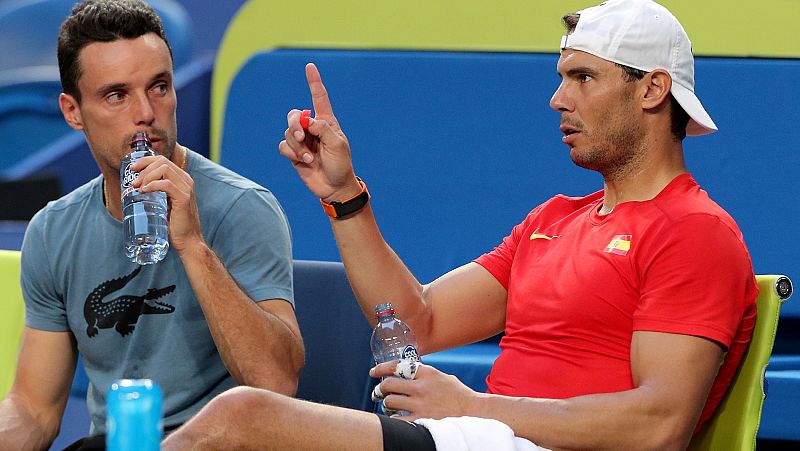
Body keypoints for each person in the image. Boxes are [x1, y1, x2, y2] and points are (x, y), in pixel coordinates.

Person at [162, 0, 757, 449]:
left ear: (652, 89)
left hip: (512, 440)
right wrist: (344, 196)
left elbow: (661, 425)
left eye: (583, 78)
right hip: (486, 438)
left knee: (241, 420)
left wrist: (473, 407)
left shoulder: (694, 230)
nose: (557, 98)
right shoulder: (552, 219)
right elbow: (417, 321)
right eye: (561, 76)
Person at [0, 1, 304, 449]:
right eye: (117, 95)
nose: (145, 112)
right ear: (72, 111)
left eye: (159, 87)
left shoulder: (242, 207)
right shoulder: (53, 230)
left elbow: (276, 383)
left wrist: (192, 245)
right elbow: (34, 409)